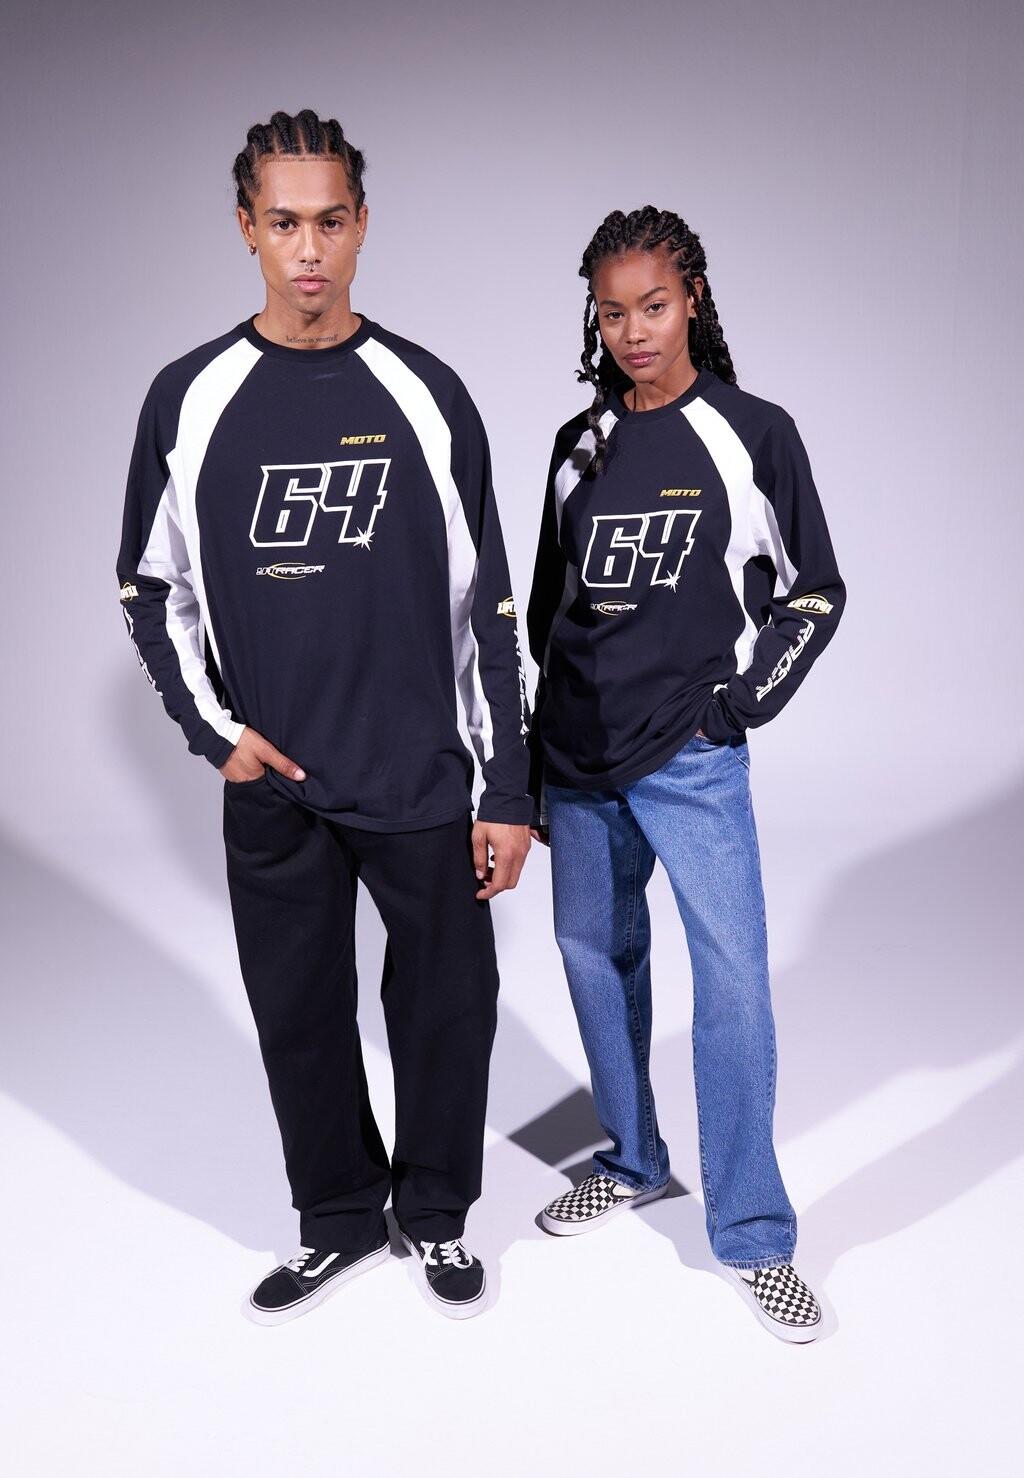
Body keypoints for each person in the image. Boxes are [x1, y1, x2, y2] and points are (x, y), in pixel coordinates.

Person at [116, 109, 532, 1324]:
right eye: (285, 222)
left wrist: (508, 786)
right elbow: (148, 586)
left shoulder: (426, 392)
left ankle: (438, 1211)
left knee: (448, 1007)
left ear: (362, 226)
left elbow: (490, 605)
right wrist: (216, 737)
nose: (309, 248)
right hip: (277, 781)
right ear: (246, 227)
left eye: (331, 221)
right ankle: (339, 1215)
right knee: (297, 1016)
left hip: (418, 772)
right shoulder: (189, 397)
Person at [526, 205, 846, 1343]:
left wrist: (741, 703)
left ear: (693, 298)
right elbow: (551, 610)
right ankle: (631, 1157)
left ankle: (754, 1233)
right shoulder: (578, 443)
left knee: (735, 985)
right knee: (595, 958)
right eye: (612, 312)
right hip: (579, 758)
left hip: (691, 762)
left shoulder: (751, 432)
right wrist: (537, 752)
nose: (633, 331)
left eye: (653, 306)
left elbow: (815, 589)